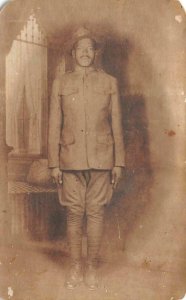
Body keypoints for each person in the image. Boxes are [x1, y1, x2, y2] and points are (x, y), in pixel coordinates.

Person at [48, 26, 125, 290]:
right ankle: (74, 269)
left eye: (89, 48)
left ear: (95, 53)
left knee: (95, 213)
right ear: (72, 53)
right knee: (73, 214)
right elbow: (53, 125)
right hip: (69, 159)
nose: (85, 52)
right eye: (80, 48)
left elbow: (117, 124)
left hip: (103, 158)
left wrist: (118, 162)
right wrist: (54, 163)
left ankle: (91, 269)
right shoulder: (61, 82)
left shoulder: (109, 82)